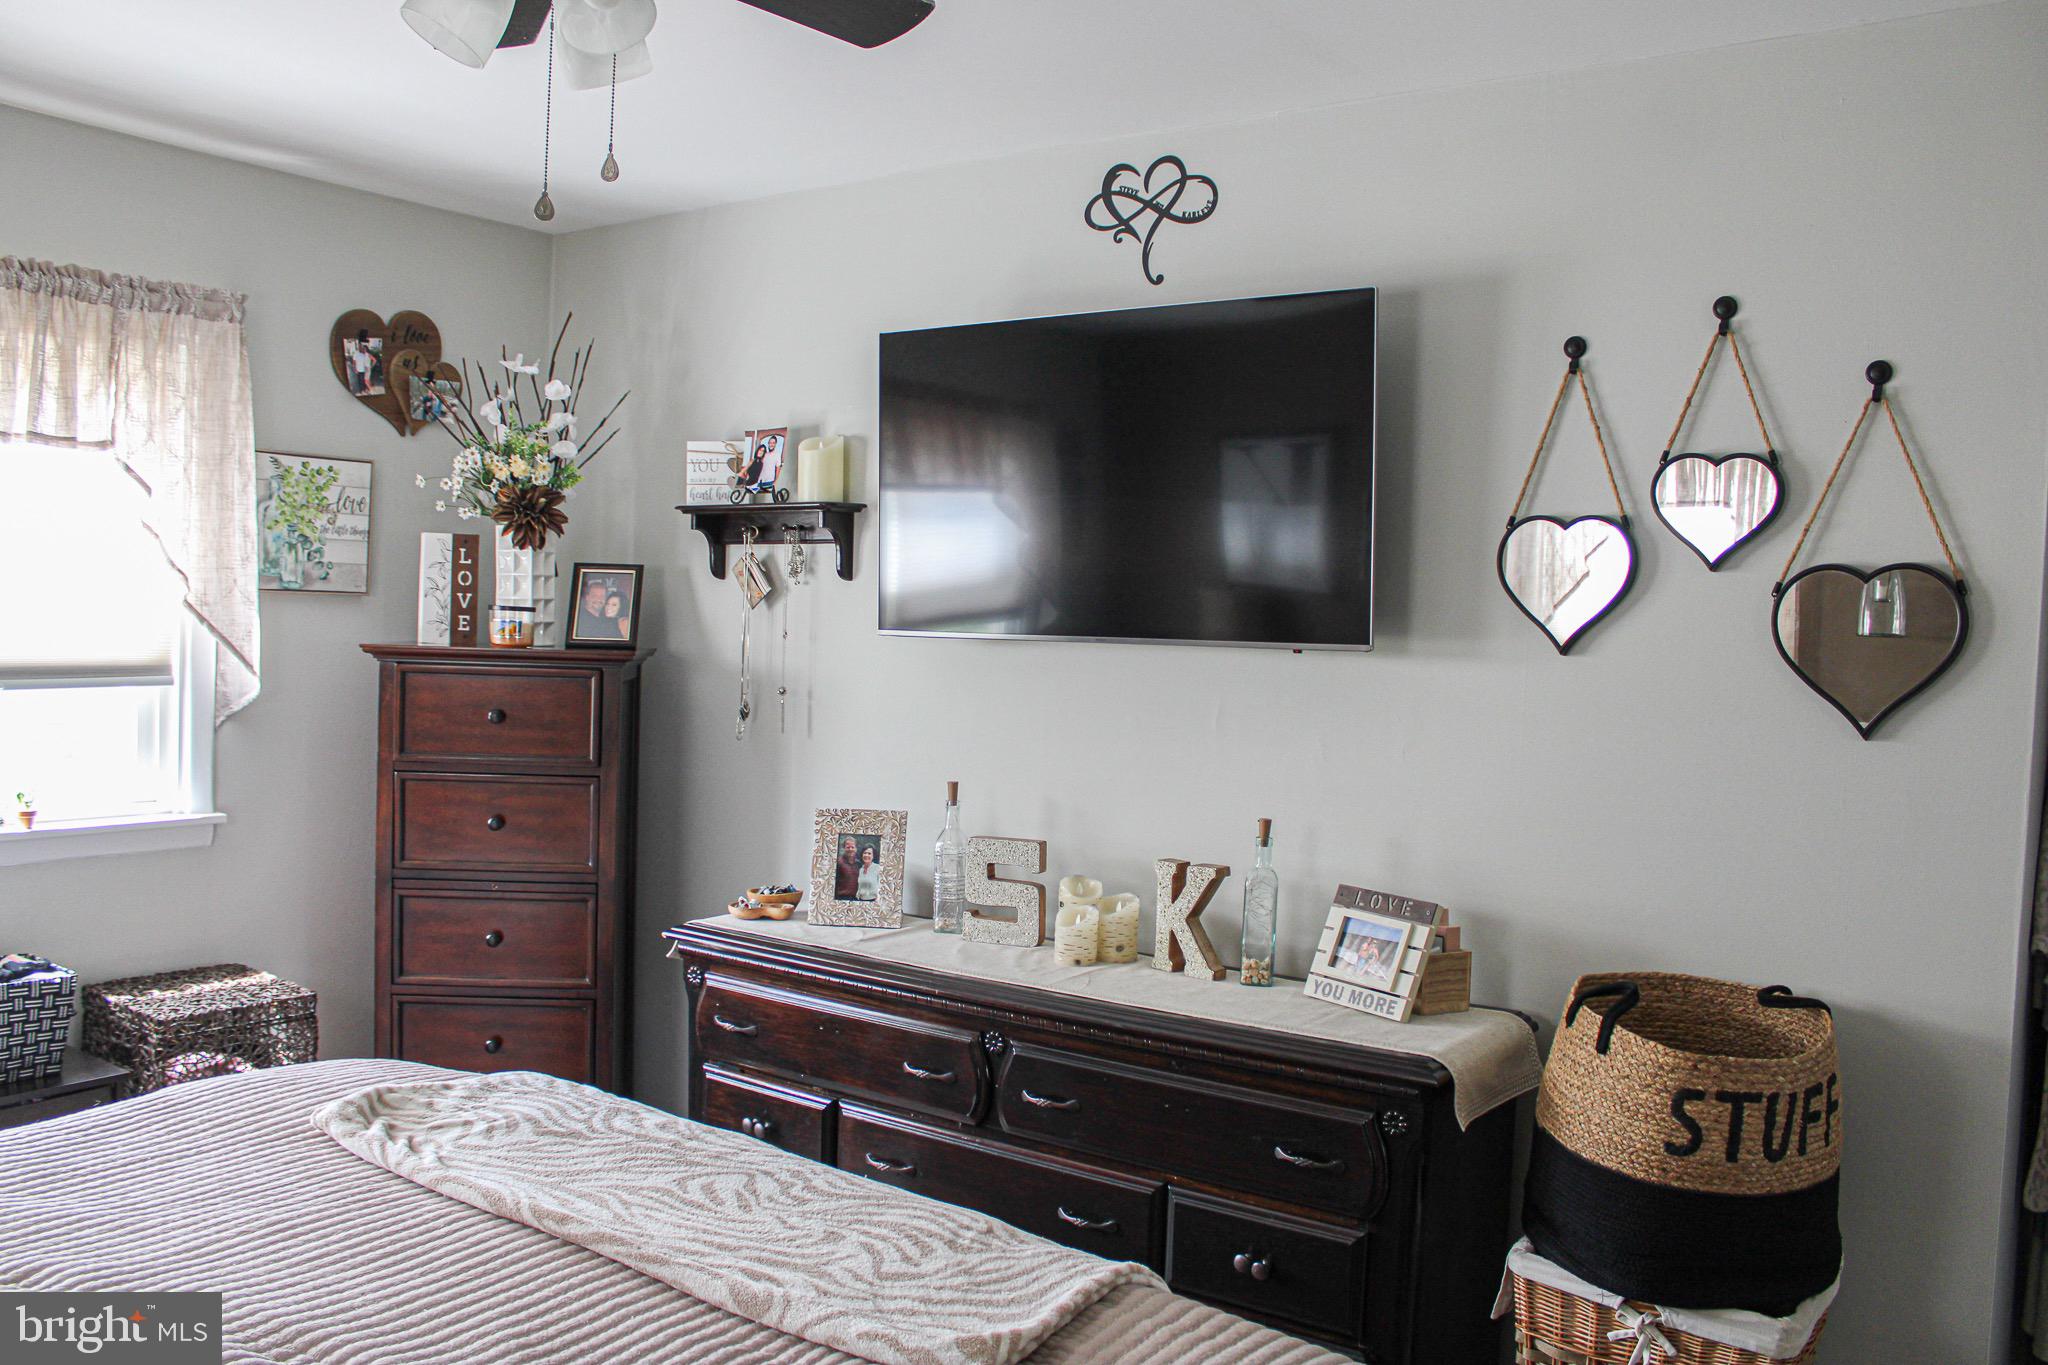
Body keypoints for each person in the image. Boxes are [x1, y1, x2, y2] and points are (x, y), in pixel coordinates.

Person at [574, 576, 612, 642]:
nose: (599, 599)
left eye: (602, 596)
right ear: (587, 597)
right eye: (595, 596)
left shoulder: (605, 619)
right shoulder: (580, 619)